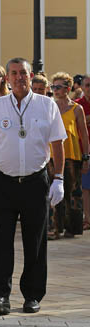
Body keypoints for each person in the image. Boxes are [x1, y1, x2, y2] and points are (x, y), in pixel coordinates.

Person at [0, 57, 66, 316]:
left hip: (35, 181)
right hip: (4, 182)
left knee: (35, 241)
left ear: (31, 75)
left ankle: (32, 295)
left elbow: (58, 143)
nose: (18, 77)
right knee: (2, 240)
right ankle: (0, 296)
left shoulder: (47, 105)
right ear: (8, 78)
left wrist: (58, 178)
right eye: (14, 73)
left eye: (23, 73)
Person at [49, 72, 89, 239]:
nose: (55, 90)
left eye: (58, 87)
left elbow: (84, 135)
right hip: (53, 156)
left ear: (67, 88)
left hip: (73, 156)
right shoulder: (50, 107)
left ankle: (72, 228)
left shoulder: (76, 109)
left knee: (73, 193)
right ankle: (56, 228)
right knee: (55, 192)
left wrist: (86, 157)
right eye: (53, 87)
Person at [76, 75, 90, 230]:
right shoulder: (78, 105)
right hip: (84, 149)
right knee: (85, 186)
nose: (89, 88)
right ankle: (87, 218)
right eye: (87, 85)